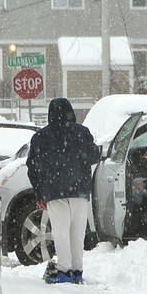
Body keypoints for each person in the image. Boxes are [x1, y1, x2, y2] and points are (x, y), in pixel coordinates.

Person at [27, 97, 101, 284]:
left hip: (54, 191)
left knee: (61, 231)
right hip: (79, 191)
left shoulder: (40, 137)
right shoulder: (82, 132)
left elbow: (32, 167)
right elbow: (93, 156)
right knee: (77, 232)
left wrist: (39, 193)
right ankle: (77, 270)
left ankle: (63, 270)